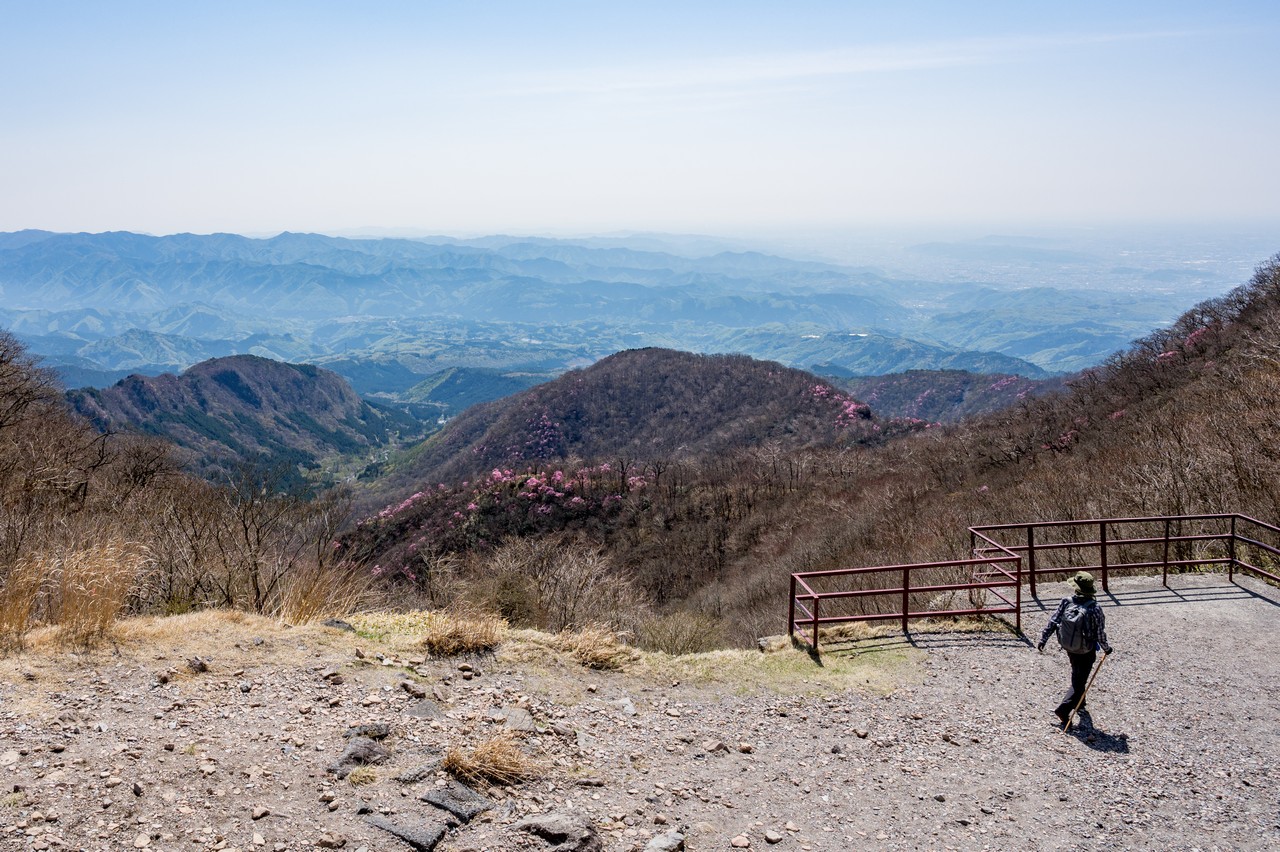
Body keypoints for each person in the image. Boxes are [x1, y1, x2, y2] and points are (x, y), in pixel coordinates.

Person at [1037, 571, 1113, 725]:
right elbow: (1099, 633)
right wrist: (1106, 648)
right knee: (1080, 680)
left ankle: (1081, 703)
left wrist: (1043, 639)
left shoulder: (1067, 601)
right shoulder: (1095, 608)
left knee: (1076, 672)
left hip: (1069, 646)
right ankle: (1064, 709)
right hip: (1086, 649)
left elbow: (1054, 621)